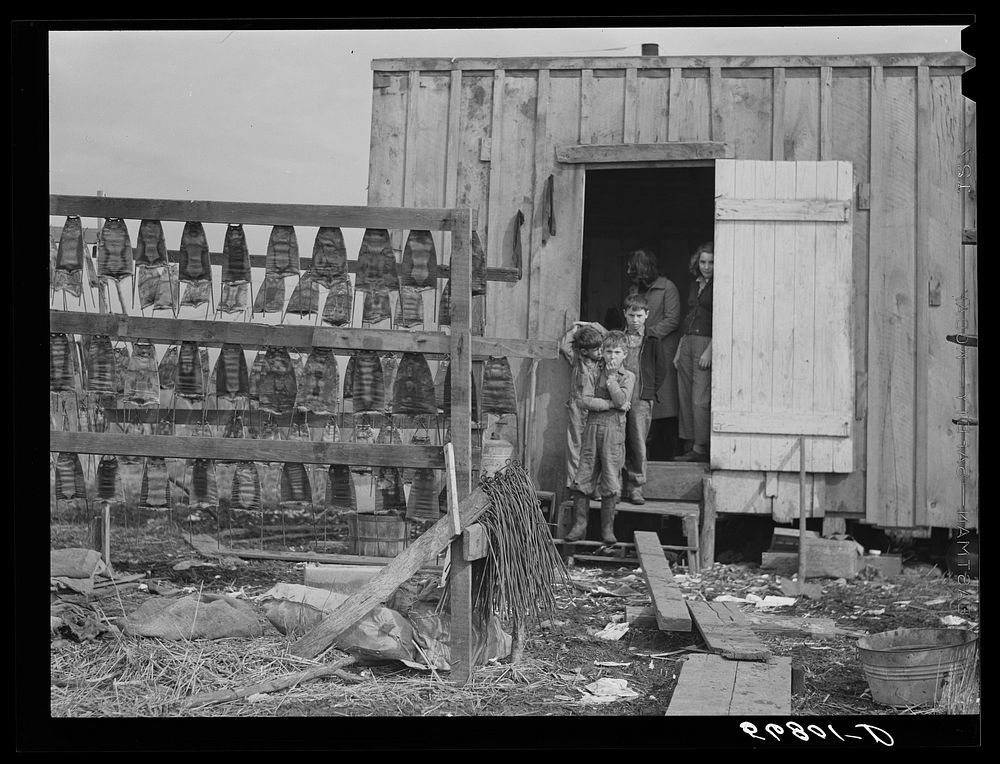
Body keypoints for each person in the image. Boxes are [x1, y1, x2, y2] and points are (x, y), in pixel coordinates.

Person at [566, 331, 636, 544]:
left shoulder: (628, 377)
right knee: (584, 474)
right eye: (608, 351)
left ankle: (607, 530)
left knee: (611, 478)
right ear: (602, 353)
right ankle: (579, 526)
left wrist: (613, 380)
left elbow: (623, 397)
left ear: (625, 354)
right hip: (592, 428)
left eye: (616, 352)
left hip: (614, 432)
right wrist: (611, 405)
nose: (612, 357)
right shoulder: (593, 372)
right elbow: (584, 400)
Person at [626, 249, 681, 460]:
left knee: (663, 403)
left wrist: (648, 335)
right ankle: (639, 454)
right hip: (636, 351)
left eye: (636, 270)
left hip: (660, 350)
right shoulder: (636, 290)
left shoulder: (668, 288)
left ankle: (664, 453)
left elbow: (672, 319)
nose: (633, 275)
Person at [620, 293, 668, 504]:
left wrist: (648, 390)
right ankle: (614, 486)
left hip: (641, 396)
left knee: (638, 441)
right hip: (618, 395)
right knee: (616, 440)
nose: (635, 320)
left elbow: (661, 370)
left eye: (639, 315)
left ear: (647, 315)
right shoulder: (618, 338)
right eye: (631, 315)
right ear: (625, 314)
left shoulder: (653, 340)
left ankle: (636, 486)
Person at [675, 242, 714, 462]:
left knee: (700, 399)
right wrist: (679, 349)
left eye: (710, 263)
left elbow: (723, 318)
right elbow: (688, 316)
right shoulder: (694, 284)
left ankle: (700, 447)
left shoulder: (720, 284)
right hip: (688, 341)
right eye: (703, 262)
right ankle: (690, 444)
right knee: (685, 395)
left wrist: (710, 350)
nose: (706, 267)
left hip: (705, 343)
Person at [558, 320, 607, 494]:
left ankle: (596, 487)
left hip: (596, 408)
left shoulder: (604, 362)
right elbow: (564, 345)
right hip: (578, 408)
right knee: (575, 446)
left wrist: (593, 325)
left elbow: (610, 337)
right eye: (595, 349)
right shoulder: (577, 360)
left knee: (597, 447)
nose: (600, 352)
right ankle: (575, 485)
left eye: (601, 348)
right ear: (584, 351)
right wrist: (575, 329)